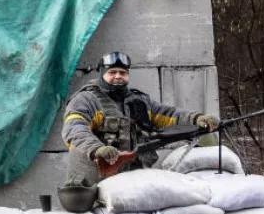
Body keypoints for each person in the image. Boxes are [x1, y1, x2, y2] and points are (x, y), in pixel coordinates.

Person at [61, 51, 219, 188]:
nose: (118, 76)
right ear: (102, 73)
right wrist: (97, 149)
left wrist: (196, 118)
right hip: (94, 184)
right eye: (112, 72)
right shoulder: (86, 99)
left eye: (122, 73)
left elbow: (169, 115)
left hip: (134, 181)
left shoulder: (139, 100)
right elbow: (74, 129)